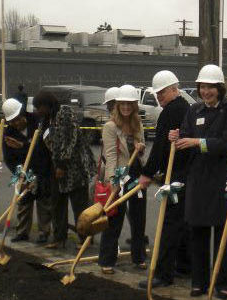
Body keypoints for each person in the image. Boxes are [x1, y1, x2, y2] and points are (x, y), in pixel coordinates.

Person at [168, 64, 227, 299]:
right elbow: (185, 136)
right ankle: (199, 282)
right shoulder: (194, 110)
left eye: (211, 87)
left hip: (222, 179)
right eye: (202, 87)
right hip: (198, 179)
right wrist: (177, 137)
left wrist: (197, 143)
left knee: (223, 233)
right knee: (197, 233)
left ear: (220, 88)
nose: (206, 91)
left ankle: (223, 284)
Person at [137, 71, 191, 288]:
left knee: (169, 225)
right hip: (184, 173)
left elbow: (159, 146)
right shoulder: (185, 107)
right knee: (183, 224)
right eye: (157, 94)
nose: (159, 97)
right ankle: (186, 265)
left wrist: (147, 173)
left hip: (177, 175)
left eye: (162, 93)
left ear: (173, 89)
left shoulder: (171, 112)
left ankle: (163, 273)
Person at [33, 91, 96, 249]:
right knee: (57, 205)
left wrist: (61, 165)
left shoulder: (65, 113)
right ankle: (59, 238)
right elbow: (46, 143)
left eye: (39, 107)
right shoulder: (46, 120)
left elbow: (69, 140)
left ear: (47, 105)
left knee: (79, 206)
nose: (37, 111)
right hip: (55, 168)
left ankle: (85, 239)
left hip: (74, 168)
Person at [98, 84, 147, 274]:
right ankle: (107, 260)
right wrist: (112, 180)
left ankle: (139, 256)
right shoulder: (110, 127)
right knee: (114, 219)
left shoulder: (138, 124)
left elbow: (141, 156)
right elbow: (110, 155)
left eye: (129, 104)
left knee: (138, 218)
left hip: (135, 174)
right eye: (122, 104)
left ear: (134, 105)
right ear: (117, 105)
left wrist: (140, 149)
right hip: (118, 175)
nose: (126, 107)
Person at [1, 98, 52, 244]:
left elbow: (41, 149)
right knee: (23, 201)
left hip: (42, 167)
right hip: (23, 171)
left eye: (18, 119)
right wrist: (21, 175)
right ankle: (22, 232)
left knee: (43, 202)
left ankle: (44, 233)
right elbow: (9, 159)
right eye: (13, 121)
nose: (16, 123)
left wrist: (23, 145)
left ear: (23, 113)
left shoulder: (37, 122)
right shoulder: (8, 133)